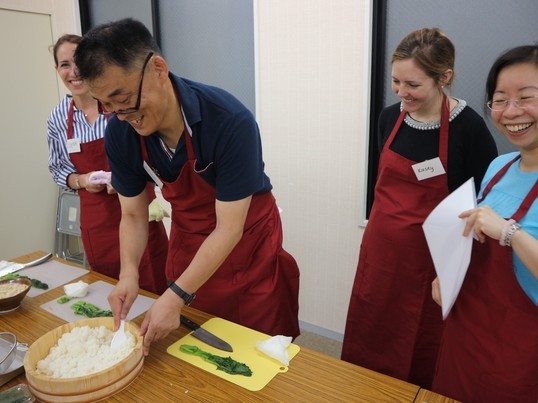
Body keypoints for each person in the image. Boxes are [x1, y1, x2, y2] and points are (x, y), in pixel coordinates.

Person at [74, 18, 300, 355]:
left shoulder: (227, 120)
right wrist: (129, 275)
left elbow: (229, 227)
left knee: (257, 353)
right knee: (194, 353)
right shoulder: (121, 131)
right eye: (106, 104)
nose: (122, 114)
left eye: (123, 97)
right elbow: (133, 215)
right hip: (191, 244)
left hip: (247, 247)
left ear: (158, 69)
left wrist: (177, 295)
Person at [341, 27, 498, 388]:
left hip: (430, 265)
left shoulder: (469, 129)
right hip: (380, 256)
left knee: (420, 348)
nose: (401, 92)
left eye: (412, 84)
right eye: (396, 81)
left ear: (444, 78)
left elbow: (485, 201)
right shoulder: (389, 118)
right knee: (370, 334)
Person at [431, 45, 538, 402]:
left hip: (520, 351)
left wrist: (509, 232)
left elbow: (499, 231)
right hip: (466, 334)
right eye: (500, 100)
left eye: (526, 97)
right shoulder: (499, 167)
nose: (512, 112)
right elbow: (473, 233)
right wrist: (448, 273)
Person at [47, 34, 169, 294]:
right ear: (57, 69)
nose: (74, 71)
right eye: (65, 64)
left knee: (153, 288)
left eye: (79, 61)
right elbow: (59, 170)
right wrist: (83, 180)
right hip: (97, 222)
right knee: (106, 292)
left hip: (139, 214)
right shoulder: (58, 118)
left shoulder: (120, 105)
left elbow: (153, 155)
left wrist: (126, 177)